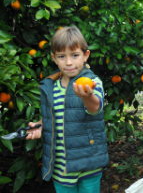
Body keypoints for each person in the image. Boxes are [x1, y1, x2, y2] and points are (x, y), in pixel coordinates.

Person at [25, 27, 109, 193]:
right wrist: (41, 125)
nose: (69, 62)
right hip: (61, 166)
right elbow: (55, 114)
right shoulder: (51, 86)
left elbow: (96, 108)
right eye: (62, 56)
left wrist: (87, 96)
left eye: (75, 55)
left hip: (88, 162)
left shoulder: (92, 82)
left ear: (85, 56)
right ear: (54, 58)